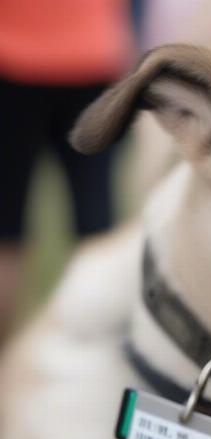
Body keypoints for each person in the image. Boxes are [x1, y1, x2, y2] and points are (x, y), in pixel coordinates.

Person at [0, 0, 133, 343]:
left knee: (7, 231)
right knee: (95, 227)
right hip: (90, 55)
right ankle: (95, 348)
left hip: (18, 57)